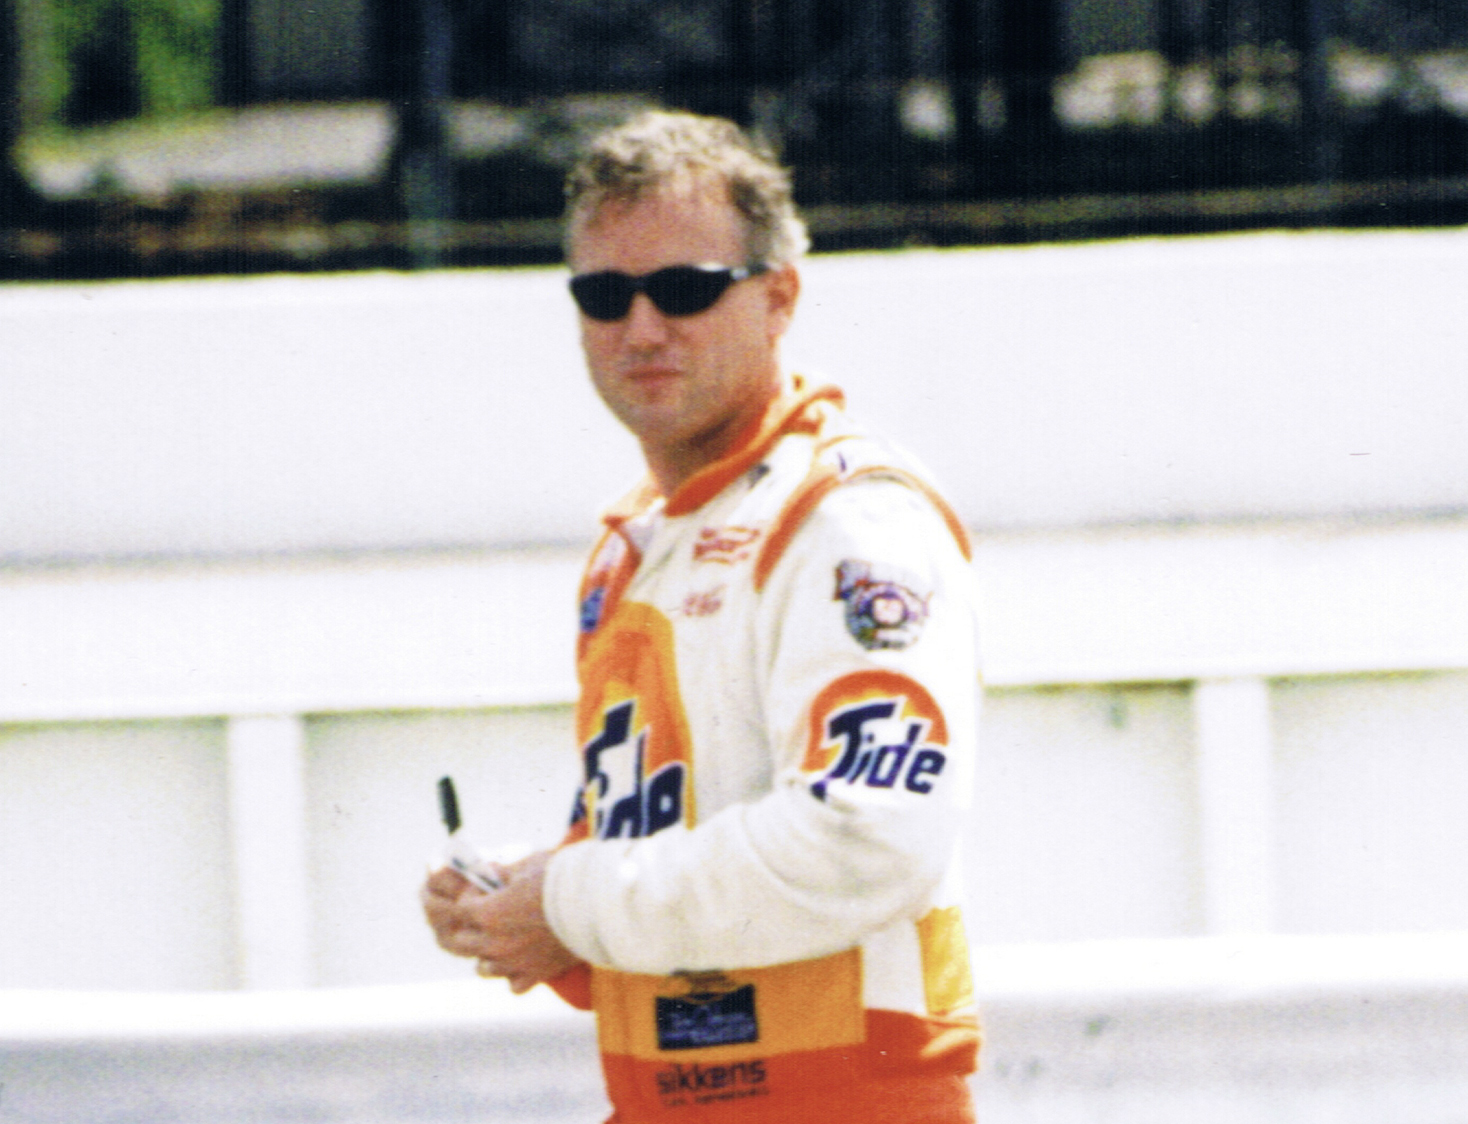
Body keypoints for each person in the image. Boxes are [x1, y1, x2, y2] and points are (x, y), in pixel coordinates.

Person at [422, 109, 981, 1124]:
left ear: (779, 298)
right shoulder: (636, 545)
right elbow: (654, 862)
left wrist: (570, 897)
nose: (641, 327)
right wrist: (521, 905)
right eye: (604, 295)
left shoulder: (845, 519)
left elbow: (871, 836)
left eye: (682, 289)